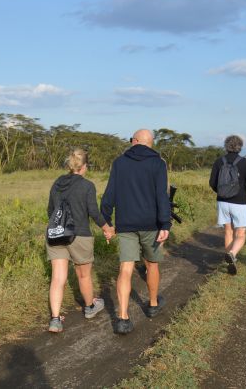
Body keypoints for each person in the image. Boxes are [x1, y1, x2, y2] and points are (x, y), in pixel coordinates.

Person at [101, 129, 172, 335]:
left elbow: (109, 195)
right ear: (150, 144)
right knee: (152, 264)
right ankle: (152, 305)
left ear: (134, 141)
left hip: (125, 224)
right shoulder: (158, 163)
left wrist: (106, 223)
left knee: (126, 269)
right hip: (151, 224)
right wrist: (165, 224)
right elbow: (162, 196)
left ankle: (122, 318)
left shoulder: (119, 163)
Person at [46, 148, 115, 333]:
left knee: (58, 278)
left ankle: (55, 319)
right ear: (84, 166)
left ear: (70, 165)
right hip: (80, 235)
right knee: (83, 275)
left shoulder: (57, 183)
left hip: (56, 234)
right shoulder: (87, 185)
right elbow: (94, 212)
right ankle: (90, 307)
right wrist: (107, 228)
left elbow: (50, 211)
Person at [209, 135, 246, 275]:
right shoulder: (245, 162)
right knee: (241, 233)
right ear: (240, 146)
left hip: (222, 201)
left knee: (228, 231)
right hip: (239, 201)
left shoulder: (218, 161)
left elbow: (212, 183)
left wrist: (222, 193)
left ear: (226, 146)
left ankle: (230, 257)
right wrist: (243, 194)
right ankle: (232, 255)